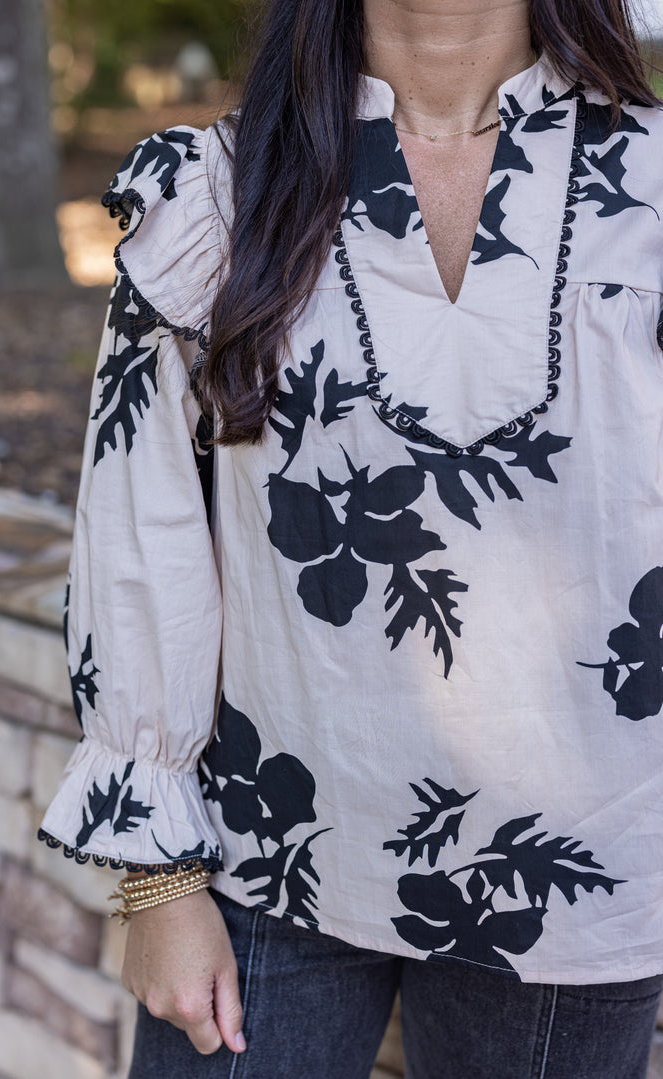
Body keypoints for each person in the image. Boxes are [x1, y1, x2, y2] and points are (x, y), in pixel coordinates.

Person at [39, 0, 663, 1075]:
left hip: (586, 877)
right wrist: (161, 881)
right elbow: (142, 531)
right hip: (264, 860)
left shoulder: (654, 188)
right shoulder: (210, 193)